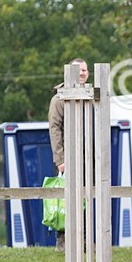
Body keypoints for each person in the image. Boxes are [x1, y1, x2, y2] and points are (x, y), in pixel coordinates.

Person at [47, 58, 88, 251]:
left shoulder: (90, 95)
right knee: (66, 200)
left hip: (88, 157)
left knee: (87, 198)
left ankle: (86, 241)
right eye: (79, 70)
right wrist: (60, 159)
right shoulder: (58, 99)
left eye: (85, 70)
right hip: (68, 157)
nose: (82, 73)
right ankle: (62, 241)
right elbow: (54, 129)